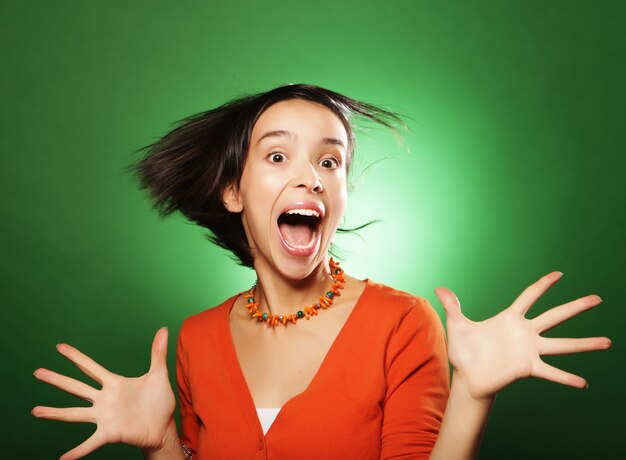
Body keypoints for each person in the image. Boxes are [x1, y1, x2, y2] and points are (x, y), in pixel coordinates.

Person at [32, 84, 612, 460]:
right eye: (278, 156)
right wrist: (161, 443)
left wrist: (472, 397)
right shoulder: (198, 339)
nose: (309, 176)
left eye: (329, 161)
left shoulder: (401, 322)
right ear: (233, 190)